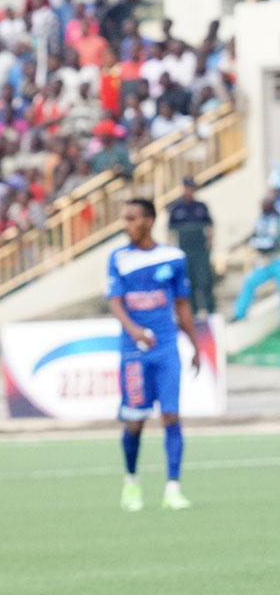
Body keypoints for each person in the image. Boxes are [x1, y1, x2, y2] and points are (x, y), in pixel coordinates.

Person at [107, 199, 199, 512]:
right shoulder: (119, 258)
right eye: (124, 218)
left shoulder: (173, 257)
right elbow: (115, 301)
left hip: (166, 347)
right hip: (134, 352)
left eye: (131, 218)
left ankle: (173, 489)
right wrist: (134, 330)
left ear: (148, 220)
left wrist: (195, 345)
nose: (126, 225)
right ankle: (131, 482)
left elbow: (182, 303)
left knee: (171, 415)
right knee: (135, 422)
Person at [165, 178, 215, 315]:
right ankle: (193, 311)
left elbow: (209, 227)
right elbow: (171, 232)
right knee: (188, 282)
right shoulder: (176, 208)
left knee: (205, 280)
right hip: (184, 251)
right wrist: (172, 251)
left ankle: (210, 309)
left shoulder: (201, 206)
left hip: (200, 250)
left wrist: (210, 244)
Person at [232, 194, 280, 322]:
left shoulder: (277, 220)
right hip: (265, 262)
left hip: (278, 260)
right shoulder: (261, 219)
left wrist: (256, 243)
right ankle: (239, 314)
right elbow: (254, 234)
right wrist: (245, 241)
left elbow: (273, 242)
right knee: (249, 282)